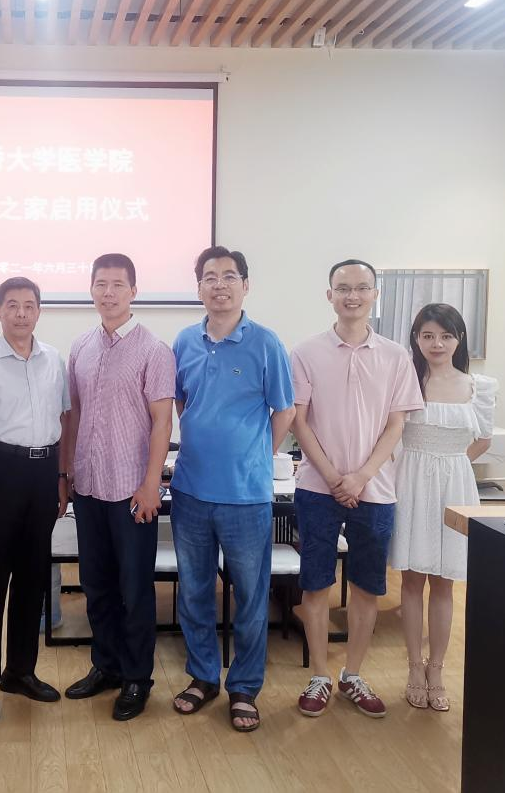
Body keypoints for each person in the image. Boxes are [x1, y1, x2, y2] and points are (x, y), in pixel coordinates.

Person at [290, 259, 423, 719]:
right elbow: (299, 422)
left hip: (377, 489)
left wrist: (361, 476)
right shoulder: (305, 352)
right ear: (329, 295)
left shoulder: (396, 356)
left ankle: (353, 674)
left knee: (367, 586)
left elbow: (396, 424)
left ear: (375, 294)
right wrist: (333, 477)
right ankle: (319, 675)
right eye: (343, 288)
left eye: (362, 287)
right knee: (315, 584)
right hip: (316, 487)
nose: (352, 295)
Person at [169, 246, 295, 732]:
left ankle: (244, 686)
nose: (218, 285)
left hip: (246, 496)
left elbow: (284, 409)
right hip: (191, 490)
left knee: (251, 597)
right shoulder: (185, 341)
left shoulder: (265, 342)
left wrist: (256, 454)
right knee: (195, 592)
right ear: (198, 287)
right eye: (209, 277)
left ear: (245, 284)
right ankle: (203, 677)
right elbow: (182, 403)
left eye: (228, 276)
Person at [63, 253, 176, 722]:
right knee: (96, 584)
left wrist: (151, 485)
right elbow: (73, 416)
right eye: (100, 284)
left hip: (132, 491)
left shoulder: (154, 349)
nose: (108, 292)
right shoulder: (81, 347)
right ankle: (106, 666)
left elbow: (162, 422)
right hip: (89, 486)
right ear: (91, 289)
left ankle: (136, 678)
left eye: (117, 284)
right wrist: (66, 474)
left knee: (134, 588)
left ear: (133, 291)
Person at [0, 277, 71, 724]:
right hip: (1, 471)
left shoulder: (54, 360)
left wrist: (62, 477)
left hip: (44, 472)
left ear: (39, 311)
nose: (21, 313)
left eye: (29, 305)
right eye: (12, 305)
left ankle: (20, 672)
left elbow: (64, 417)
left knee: (33, 577)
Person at [389, 303, 496, 712]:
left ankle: (437, 670)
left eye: (446, 336)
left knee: (445, 583)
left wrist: (453, 465)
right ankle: (414, 668)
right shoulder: (405, 381)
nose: (437, 344)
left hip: (456, 486)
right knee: (412, 580)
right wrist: (417, 466)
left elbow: (483, 439)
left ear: (459, 339)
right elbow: (389, 432)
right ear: (416, 339)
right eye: (428, 335)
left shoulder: (478, 386)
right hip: (412, 483)